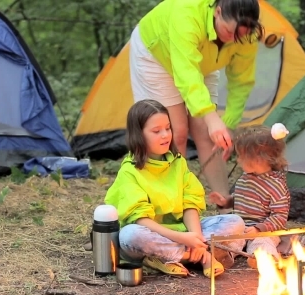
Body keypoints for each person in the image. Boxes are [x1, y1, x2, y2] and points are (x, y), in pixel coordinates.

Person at [129, 0, 264, 210]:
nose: (233, 39)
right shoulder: (187, 15)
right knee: (176, 131)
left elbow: (241, 81)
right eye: (229, 31)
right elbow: (186, 74)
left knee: (207, 133)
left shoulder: (246, 34)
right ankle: (174, 201)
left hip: (202, 61)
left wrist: (227, 124)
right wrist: (211, 117)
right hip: (156, 52)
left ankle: (224, 200)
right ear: (218, 12)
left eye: (239, 36)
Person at [105, 99, 246, 278]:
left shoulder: (177, 162)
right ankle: (204, 256)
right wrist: (182, 239)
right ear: (139, 135)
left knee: (235, 222)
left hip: (184, 231)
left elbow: (190, 203)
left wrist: (196, 237)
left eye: (168, 128)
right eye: (156, 131)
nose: (165, 135)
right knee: (130, 236)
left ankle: (174, 256)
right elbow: (140, 219)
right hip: (152, 234)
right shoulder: (130, 171)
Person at [208, 124, 293, 268]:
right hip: (241, 229)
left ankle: (263, 258)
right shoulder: (246, 178)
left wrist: (259, 229)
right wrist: (226, 202)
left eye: (241, 156)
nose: (238, 160)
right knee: (230, 241)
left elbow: (279, 216)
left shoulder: (276, 185)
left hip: (264, 231)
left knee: (263, 242)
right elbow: (242, 199)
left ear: (258, 159)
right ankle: (223, 256)